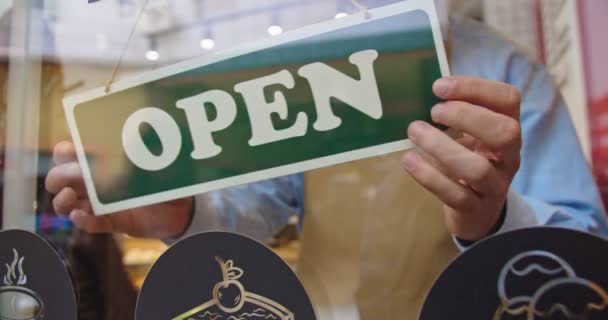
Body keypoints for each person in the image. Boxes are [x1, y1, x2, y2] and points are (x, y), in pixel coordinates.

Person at [45, 1, 608, 318]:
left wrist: (498, 218)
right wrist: (177, 209)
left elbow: (583, 260)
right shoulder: (311, 69)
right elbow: (258, 199)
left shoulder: (511, 75)